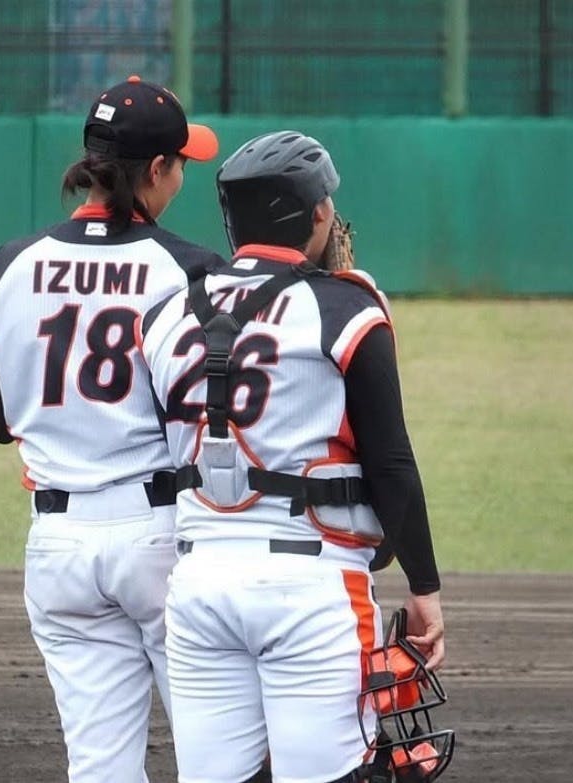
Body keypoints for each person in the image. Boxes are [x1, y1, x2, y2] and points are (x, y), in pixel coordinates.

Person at [136, 130, 446, 783]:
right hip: (311, 589)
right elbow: (390, 461)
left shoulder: (164, 315)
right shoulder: (346, 306)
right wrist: (424, 587)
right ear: (316, 213)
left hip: (198, 587)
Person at [0, 75, 223, 783]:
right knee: (220, 756)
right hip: (162, 534)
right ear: (156, 169)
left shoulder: (2, 268)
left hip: (58, 547)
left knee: (100, 767)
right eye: (180, 163)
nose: (182, 177)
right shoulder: (192, 272)